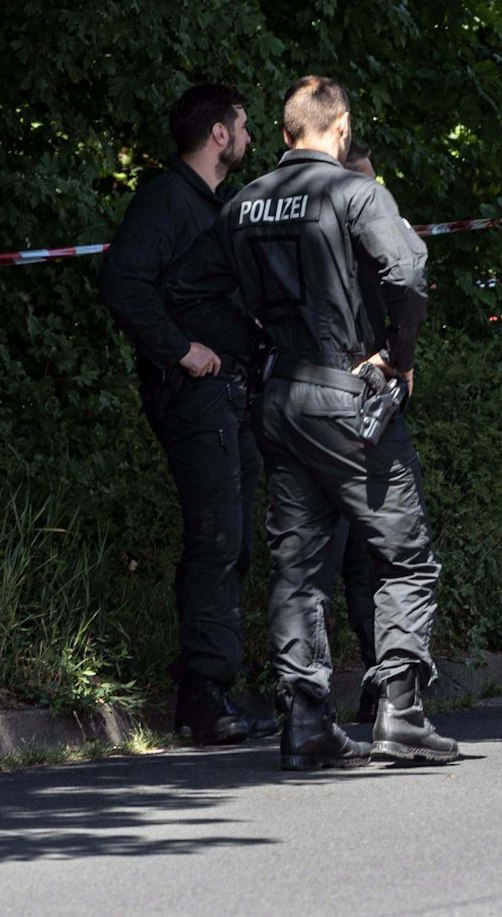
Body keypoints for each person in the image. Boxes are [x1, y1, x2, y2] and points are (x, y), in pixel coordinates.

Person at [169, 76, 457, 771]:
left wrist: (253, 341)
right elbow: (408, 267)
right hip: (349, 393)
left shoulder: (242, 203)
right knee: (404, 554)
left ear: (284, 131)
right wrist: (399, 355)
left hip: (281, 397)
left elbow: (186, 287)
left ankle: (304, 719)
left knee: (297, 567)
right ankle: (401, 711)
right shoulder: (356, 191)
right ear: (341, 127)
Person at [97, 84, 274, 746]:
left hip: (232, 394)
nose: (251, 137)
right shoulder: (165, 200)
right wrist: (181, 349)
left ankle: (215, 684)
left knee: (234, 535)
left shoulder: (216, 205)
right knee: (216, 532)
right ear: (219, 135)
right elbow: (122, 283)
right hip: (195, 396)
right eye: (244, 126)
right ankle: (203, 696)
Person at [309, 136, 386, 724]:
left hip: (376, 418)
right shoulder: (314, 244)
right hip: (324, 412)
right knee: (322, 561)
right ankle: (309, 704)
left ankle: (378, 682)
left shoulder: (383, 240)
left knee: (371, 561)